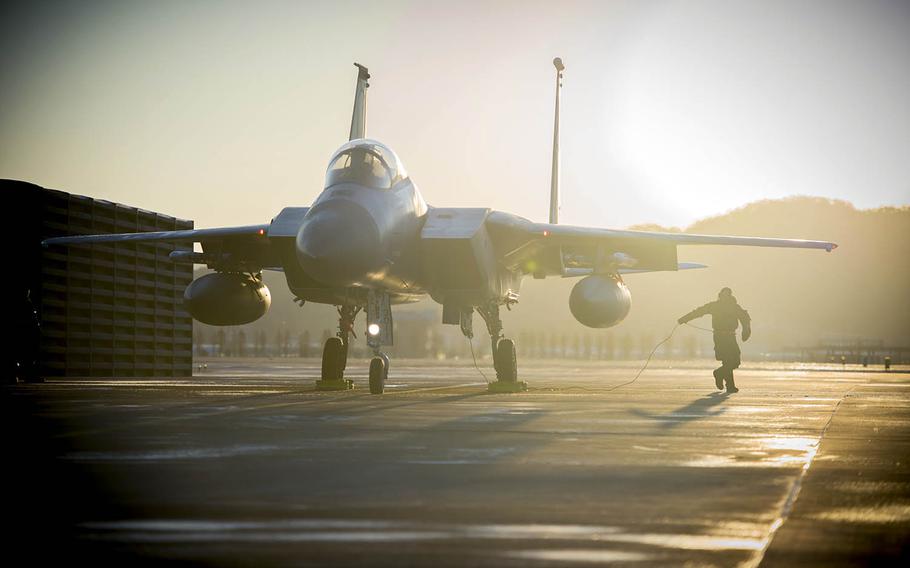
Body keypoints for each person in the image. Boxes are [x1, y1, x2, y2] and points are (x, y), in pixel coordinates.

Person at [678, 287, 751, 393]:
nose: (725, 296)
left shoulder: (734, 307)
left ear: (730, 295)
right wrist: (685, 318)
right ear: (720, 295)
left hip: (731, 336)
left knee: (735, 361)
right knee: (727, 360)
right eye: (724, 294)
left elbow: (745, 317)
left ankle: (720, 374)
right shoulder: (715, 306)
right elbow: (699, 311)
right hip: (720, 337)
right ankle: (729, 384)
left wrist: (746, 329)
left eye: (727, 294)